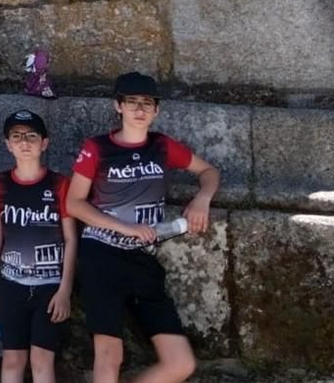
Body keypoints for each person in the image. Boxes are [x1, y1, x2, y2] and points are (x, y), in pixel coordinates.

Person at [65, 72, 219, 383]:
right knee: (109, 357)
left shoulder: (162, 146)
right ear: (117, 106)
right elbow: (74, 204)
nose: (139, 109)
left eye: (147, 103)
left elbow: (208, 171)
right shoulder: (97, 148)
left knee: (180, 363)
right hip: (101, 256)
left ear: (156, 110)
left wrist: (203, 198)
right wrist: (124, 227)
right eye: (132, 102)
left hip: (142, 259)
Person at [0, 109, 77, 383]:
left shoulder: (60, 184)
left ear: (44, 143)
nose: (24, 142)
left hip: (49, 287)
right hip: (11, 286)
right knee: (12, 359)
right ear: (7, 144)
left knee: (42, 359)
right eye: (17, 136)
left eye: (31, 136)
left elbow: (71, 238)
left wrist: (65, 289)